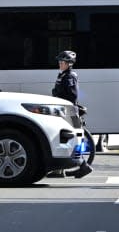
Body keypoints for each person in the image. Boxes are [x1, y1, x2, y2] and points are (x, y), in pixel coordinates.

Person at [49, 50, 89, 178]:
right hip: (64, 110)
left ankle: (83, 166)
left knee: (74, 139)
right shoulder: (62, 75)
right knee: (65, 139)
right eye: (59, 62)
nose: (60, 64)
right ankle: (61, 170)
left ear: (69, 64)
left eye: (62, 62)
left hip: (69, 111)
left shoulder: (70, 76)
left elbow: (72, 96)